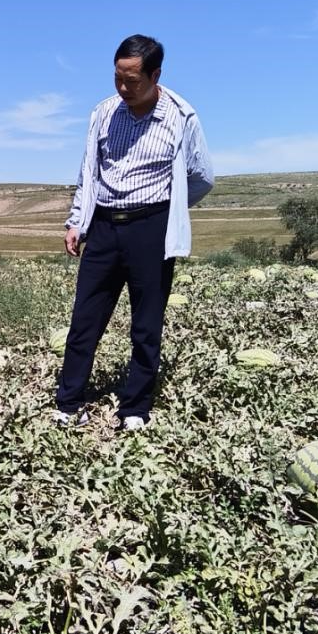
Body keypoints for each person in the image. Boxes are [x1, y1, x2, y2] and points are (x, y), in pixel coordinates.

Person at [56, 34, 213, 430]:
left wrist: (170, 208)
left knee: (146, 324)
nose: (123, 88)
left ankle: (135, 409)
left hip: (151, 228)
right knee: (85, 318)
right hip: (104, 226)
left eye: (132, 81)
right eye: (118, 78)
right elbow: (89, 171)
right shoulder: (103, 113)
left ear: (155, 75)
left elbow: (202, 177)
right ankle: (69, 402)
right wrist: (77, 221)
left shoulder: (181, 117)